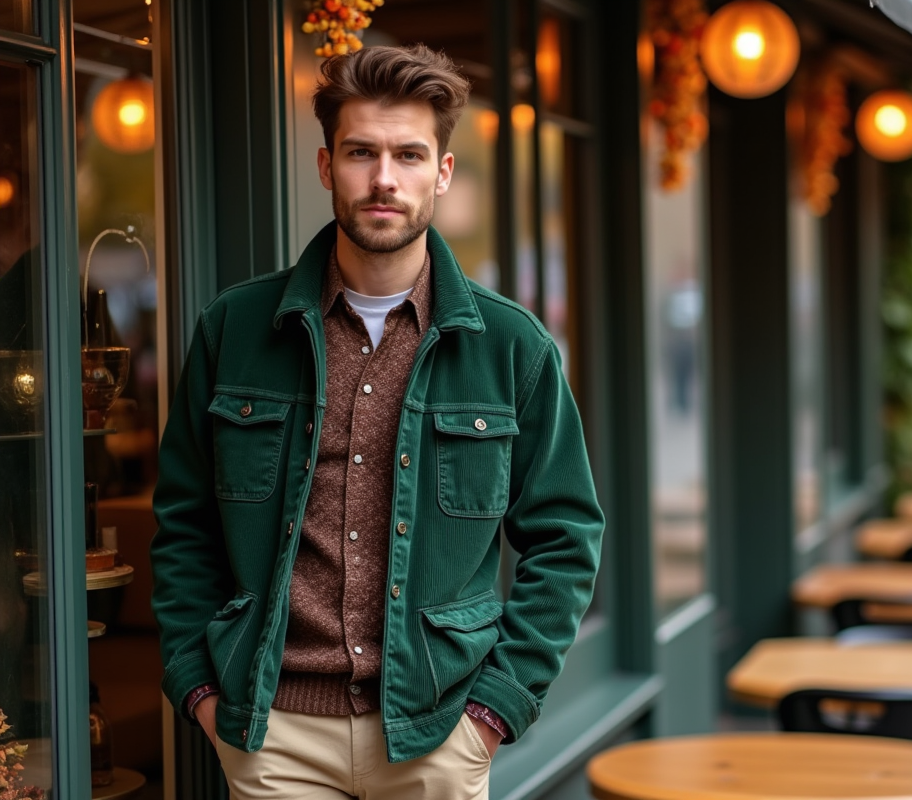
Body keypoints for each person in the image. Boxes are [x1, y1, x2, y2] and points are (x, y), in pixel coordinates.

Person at [150, 45, 604, 799]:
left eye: (409, 154)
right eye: (361, 152)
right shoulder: (234, 330)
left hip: (438, 733)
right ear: (328, 167)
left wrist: (494, 711)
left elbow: (566, 538)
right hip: (276, 736)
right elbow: (183, 524)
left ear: (443, 173)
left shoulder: (513, 348)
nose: (384, 178)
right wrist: (199, 690)